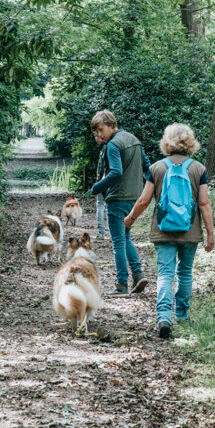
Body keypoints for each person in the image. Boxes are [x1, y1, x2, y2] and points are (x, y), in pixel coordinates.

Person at [123, 123, 214, 338]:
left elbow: (145, 200)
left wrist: (131, 218)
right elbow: (204, 203)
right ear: (190, 142)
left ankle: (164, 316)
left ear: (166, 141)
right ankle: (182, 314)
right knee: (185, 272)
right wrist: (210, 233)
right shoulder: (198, 169)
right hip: (190, 230)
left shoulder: (157, 168)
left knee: (165, 273)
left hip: (163, 229)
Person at [89, 110, 150, 296]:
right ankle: (138, 275)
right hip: (135, 198)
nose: (99, 135)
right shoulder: (134, 139)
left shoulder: (113, 145)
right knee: (125, 238)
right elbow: (148, 166)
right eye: (95, 132)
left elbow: (116, 172)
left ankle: (121, 284)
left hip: (117, 199)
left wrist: (96, 187)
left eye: (100, 130)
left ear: (110, 125)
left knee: (118, 242)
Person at [94, 136, 108, 241]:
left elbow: (104, 168)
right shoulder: (103, 148)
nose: (95, 138)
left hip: (104, 182)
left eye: (97, 136)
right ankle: (102, 232)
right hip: (102, 181)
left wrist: (99, 182)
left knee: (101, 205)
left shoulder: (106, 149)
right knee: (103, 205)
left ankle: (101, 233)